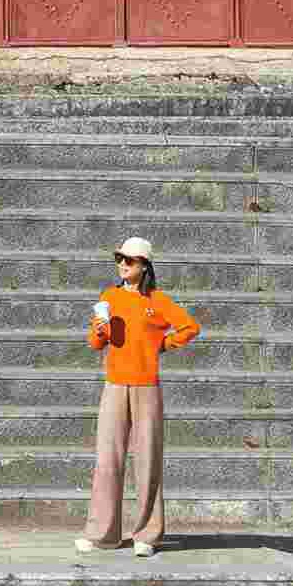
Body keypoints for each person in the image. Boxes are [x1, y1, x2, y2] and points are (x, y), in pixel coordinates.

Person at [80, 232, 198, 555]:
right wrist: (98, 330)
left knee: (147, 460)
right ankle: (103, 534)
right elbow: (94, 344)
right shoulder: (109, 297)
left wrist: (163, 343)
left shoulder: (157, 301)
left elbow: (190, 327)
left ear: (144, 266)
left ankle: (146, 536)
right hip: (115, 385)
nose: (122, 265)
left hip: (146, 387)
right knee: (108, 458)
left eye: (128, 260)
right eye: (118, 259)